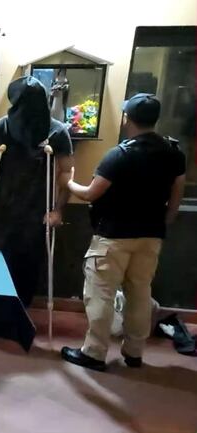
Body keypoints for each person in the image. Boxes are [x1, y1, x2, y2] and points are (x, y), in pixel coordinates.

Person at [61, 93, 186, 371]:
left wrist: (69, 182)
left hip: (113, 236)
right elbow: (176, 196)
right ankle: (134, 352)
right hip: (151, 235)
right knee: (140, 293)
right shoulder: (174, 153)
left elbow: (91, 193)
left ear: (127, 118)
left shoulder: (120, 154)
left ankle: (94, 353)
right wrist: (162, 223)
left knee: (101, 294)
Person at [0, 76, 73, 307]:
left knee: (26, 268)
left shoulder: (57, 131)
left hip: (35, 213)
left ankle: (18, 315)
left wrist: (58, 210)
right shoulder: (3, 126)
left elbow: (67, 172)